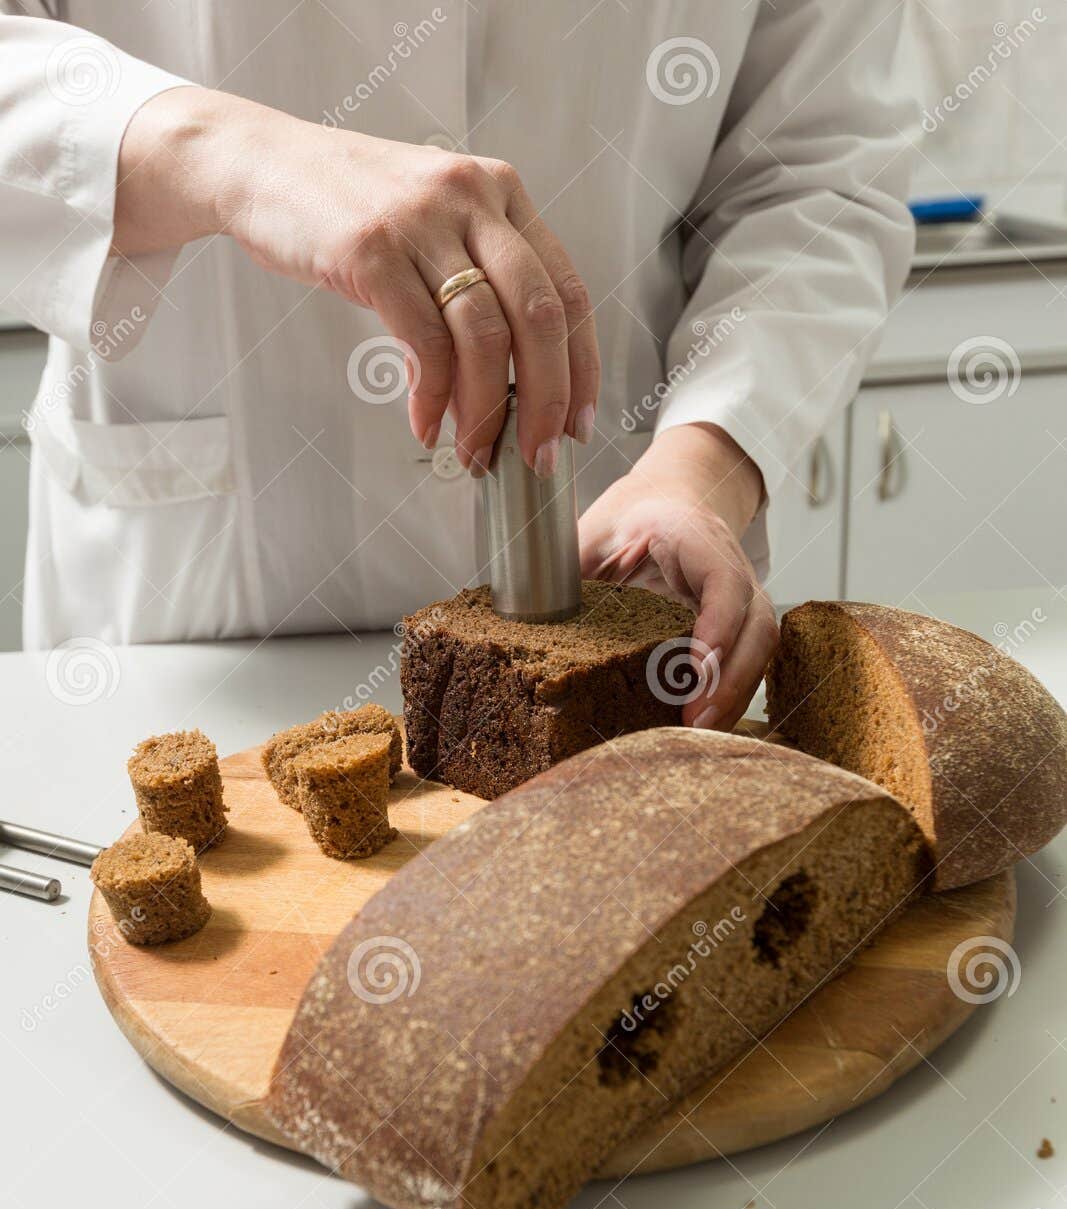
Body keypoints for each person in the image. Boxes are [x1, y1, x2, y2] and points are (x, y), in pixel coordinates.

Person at [1, 2, 915, 728]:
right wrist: (226, 154)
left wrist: (703, 467)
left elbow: (818, 176)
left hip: (614, 596)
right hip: (184, 635)